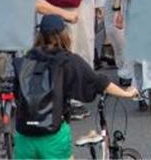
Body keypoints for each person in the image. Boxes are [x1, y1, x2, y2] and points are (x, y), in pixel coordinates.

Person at [12, 15, 138, 159]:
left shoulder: (25, 61)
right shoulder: (66, 60)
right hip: (53, 135)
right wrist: (127, 93)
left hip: (24, 136)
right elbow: (99, 82)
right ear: (64, 34)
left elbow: (17, 95)